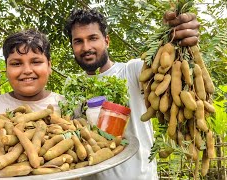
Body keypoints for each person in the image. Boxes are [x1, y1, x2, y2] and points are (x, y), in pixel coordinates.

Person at [64, 9, 200, 179]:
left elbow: (167, 65)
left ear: (106, 41)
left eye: (93, 38)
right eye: (78, 41)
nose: (86, 47)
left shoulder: (132, 71)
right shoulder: (73, 87)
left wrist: (173, 35)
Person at [0, 29, 64, 120]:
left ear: (49, 66)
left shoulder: (69, 108)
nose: (27, 71)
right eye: (16, 64)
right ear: (6, 69)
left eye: (36, 62)